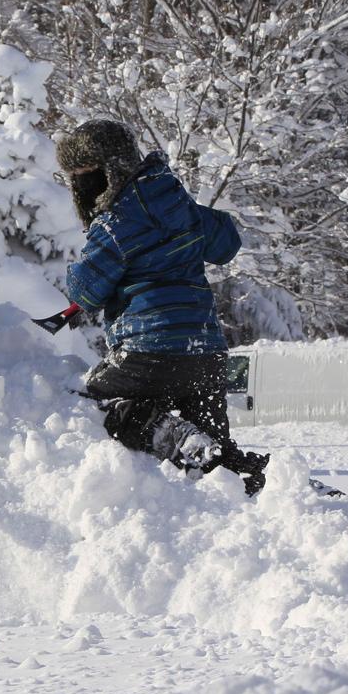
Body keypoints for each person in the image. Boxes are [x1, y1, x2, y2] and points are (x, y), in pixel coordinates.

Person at [56, 119, 269, 494]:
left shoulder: (115, 224)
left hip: (149, 352)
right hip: (205, 353)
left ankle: (172, 435)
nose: (82, 188)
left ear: (112, 168)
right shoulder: (178, 203)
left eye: (86, 175)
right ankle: (267, 488)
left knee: (87, 407)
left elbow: (84, 291)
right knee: (215, 461)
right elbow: (227, 244)